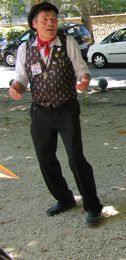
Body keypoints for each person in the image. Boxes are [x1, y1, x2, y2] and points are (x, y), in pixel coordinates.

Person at [8, 1, 103, 226]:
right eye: (45, 19)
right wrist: (17, 88)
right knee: (45, 159)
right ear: (34, 24)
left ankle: (93, 206)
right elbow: (21, 77)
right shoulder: (24, 48)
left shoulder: (67, 42)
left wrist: (84, 80)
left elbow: (82, 69)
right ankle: (65, 198)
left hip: (66, 109)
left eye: (54, 19)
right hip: (40, 111)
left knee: (76, 158)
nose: (51, 23)